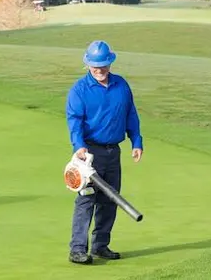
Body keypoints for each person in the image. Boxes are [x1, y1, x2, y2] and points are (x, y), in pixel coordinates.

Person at [65, 40, 143, 264]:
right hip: (89, 154)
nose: (99, 70)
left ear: (110, 63)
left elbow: (131, 115)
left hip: (112, 153)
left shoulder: (121, 85)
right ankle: (78, 249)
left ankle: (100, 245)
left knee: (110, 201)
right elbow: (74, 121)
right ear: (87, 64)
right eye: (94, 66)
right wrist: (78, 146)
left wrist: (136, 141)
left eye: (103, 65)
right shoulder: (79, 90)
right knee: (86, 200)